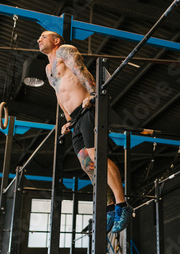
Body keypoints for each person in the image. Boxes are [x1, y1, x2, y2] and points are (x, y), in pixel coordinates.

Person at [38, 31, 131, 233]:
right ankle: (107, 208)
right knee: (87, 163)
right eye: (39, 37)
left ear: (56, 40)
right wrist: (67, 120)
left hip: (87, 108)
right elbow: (58, 93)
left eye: (43, 36)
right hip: (75, 118)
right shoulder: (48, 68)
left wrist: (94, 95)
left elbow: (82, 72)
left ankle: (121, 206)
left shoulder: (65, 50)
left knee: (97, 156)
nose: (39, 39)